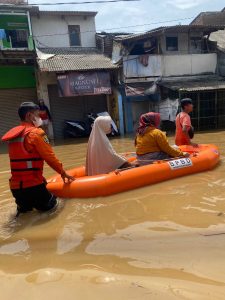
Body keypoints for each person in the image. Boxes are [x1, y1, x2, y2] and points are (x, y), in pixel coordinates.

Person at [1, 102, 74, 216]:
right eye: (37, 115)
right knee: (56, 207)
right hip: (33, 186)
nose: (40, 118)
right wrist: (63, 172)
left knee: (24, 216)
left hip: (16, 188)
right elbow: (50, 158)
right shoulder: (36, 133)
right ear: (30, 116)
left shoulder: (14, 136)